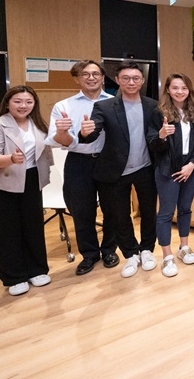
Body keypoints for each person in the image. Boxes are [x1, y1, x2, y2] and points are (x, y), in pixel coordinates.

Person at [80, 61, 159, 278]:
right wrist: (86, 132)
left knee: (149, 212)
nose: (131, 82)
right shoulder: (104, 106)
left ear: (142, 81)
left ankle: (147, 249)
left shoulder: (152, 105)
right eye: (126, 78)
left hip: (145, 167)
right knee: (120, 215)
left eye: (135, 78)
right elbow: (93, 132)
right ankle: (130, 253)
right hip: (116, 170)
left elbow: (156, 136)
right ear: (117, 80)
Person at [0, 86, 54, 296]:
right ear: (8, 103)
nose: (23, 106)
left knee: (33, 226)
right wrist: (11, 159)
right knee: (6, 230)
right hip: (1, 183)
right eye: (18, 101)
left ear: (34, 104)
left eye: (28, 102)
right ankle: (14, 276)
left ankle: (37, 270)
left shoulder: (37, 124)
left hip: (31, 179)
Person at [46, 60, 118, 275]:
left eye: (96, 74)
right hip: (78, 161)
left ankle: (109, 250)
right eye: (85, 74)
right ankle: (89, 254)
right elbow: (61, 141)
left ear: (103, 78)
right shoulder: (63, 106)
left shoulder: (116, 103)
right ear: (77, 79)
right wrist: (63, 131)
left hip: (108, 161)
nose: (91, 77)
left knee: (113, 209)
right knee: (81, 210)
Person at [148, 74, 194, 277]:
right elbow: (153, 145)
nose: (180, 91)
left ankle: (184, 247)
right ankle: (166, 256)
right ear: (168, 90)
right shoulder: (158, 113)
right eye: (175, 88)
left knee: (185, 209)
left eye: (184, 88)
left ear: (189, 90)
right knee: (166, 213)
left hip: (191, 168)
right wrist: (162, 135)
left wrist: (192, 164)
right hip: (168, 169)